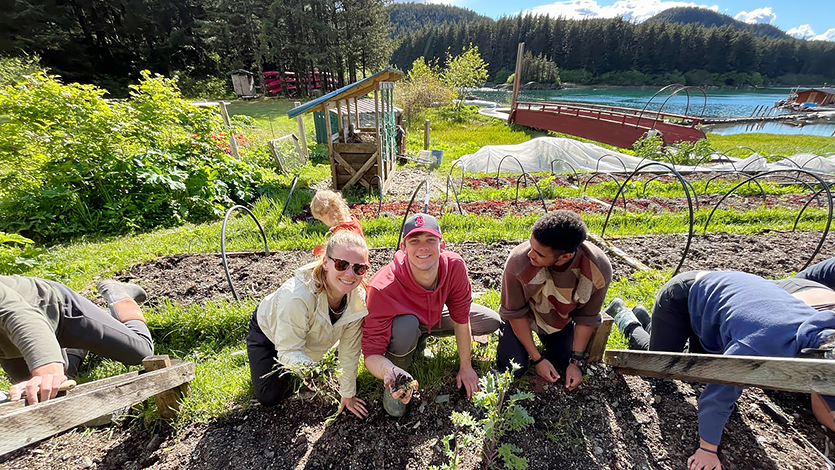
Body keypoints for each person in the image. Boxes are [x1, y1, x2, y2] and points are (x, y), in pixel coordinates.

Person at [612, 268, 835, 470]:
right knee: (659, 366)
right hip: (683, 295)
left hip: (727, 301)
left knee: (692, 363)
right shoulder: (754, 349)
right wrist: (707, 449)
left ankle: (654, 324)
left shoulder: (824, 331)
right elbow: (716, 397)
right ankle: (624, 316)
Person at [362, 213, 501, 417]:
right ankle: (401, 369)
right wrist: (389, 372)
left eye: (430, 240)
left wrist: (466, 367)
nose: (423, 247)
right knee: (407, 327)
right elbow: (371, 353)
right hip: (403, 326)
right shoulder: (383, 287)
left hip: (433, 315)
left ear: (441, 244)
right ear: (403, 247)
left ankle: (421, 341)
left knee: (490, 320)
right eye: (414, 240)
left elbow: (461, 318)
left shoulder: (454, 266)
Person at [247, 230, 370, 418]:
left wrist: (348, 395)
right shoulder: (296, 296)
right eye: (342, 264)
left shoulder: (358, 300)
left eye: (359, 268)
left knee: (342, 378)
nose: (350, 274)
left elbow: (350, 350)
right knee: (269, 396)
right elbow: (288, 349)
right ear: (326, 262)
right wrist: (310, 371)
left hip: (311, 336)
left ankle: (312, 361)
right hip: (268, 333)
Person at [497, 210, 612, 390]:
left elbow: (586, 318)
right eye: (531, 246)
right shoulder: (519, 262)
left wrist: (575, 362)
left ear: (566, 256)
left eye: (539, 254)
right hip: (522, 318)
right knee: (513, 368)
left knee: (563, 361)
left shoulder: (597, 269)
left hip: (558, 320)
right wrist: (538, 359)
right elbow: (515, 313)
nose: (530, 255)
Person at [1, 276, 153, 404]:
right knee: (48, 395)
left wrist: (47, 371)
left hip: (55, 308)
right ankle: (78, 346)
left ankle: (120, 296)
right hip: (10, 345)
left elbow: (20, 316)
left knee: (141, 351)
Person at [310, 189, 364, 257]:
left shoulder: (341, 233)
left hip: (351, 262)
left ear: (330, 215)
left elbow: (337, 252)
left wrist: (322, 250)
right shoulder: (353, 220)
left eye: (322, 219)